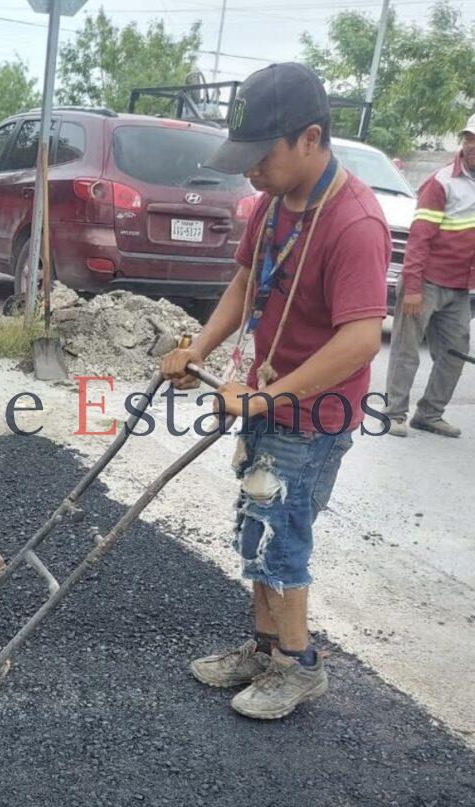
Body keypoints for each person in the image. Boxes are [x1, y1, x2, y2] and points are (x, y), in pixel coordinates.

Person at [161, 63, 389, 720]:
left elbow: (359, 340)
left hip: (312, 416)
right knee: (255, 525)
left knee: (283, 534)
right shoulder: (271, 205)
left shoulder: (355, 222)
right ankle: (264, 647)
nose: (249, 171)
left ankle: (298, 664)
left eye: (261, 156)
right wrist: (196, 351)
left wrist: (266, 397)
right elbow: (241, 286)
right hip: (267, 399)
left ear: (310, 138)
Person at [383, 116, 475, 438]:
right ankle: (394, 413)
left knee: (455, 353)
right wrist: (411, 286)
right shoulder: (441, 182)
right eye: (469, 139)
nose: (473, 146)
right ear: (463, 142)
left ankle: (430, 414)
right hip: (424, 282)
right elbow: (419, 238)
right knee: (406, 351)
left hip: (460, 286)